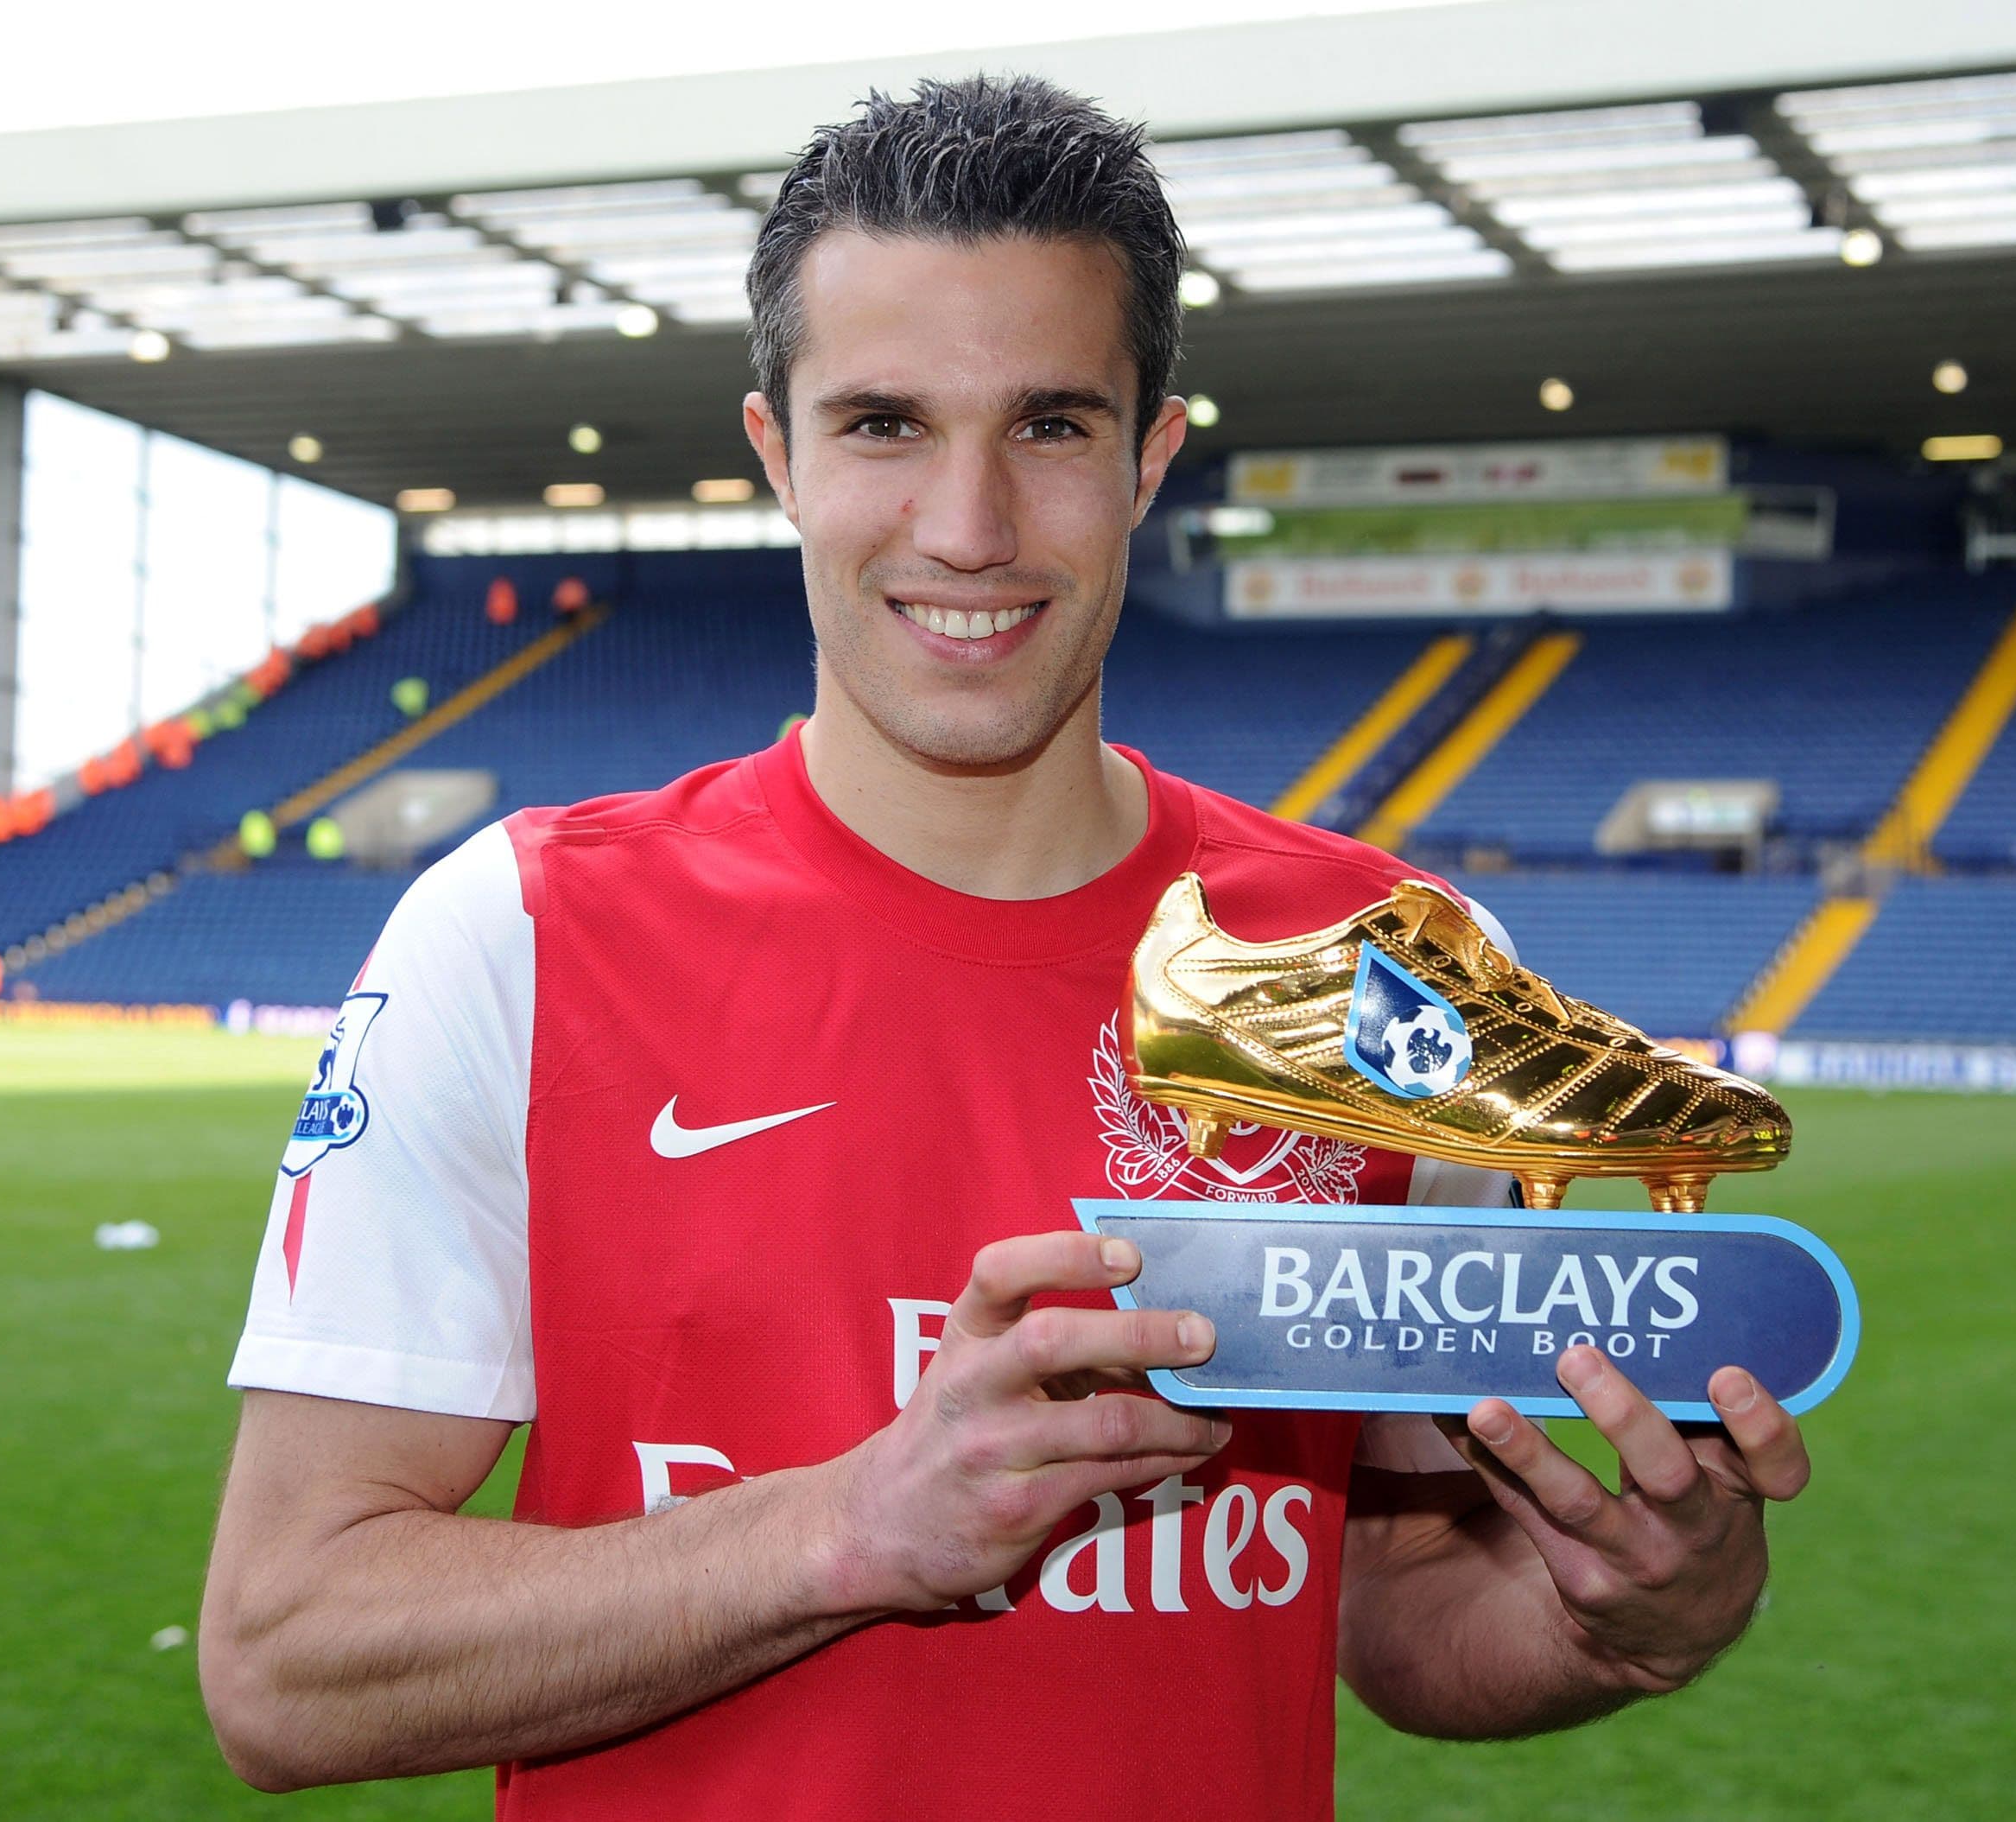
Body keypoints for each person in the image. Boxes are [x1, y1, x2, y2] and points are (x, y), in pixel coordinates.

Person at [199, 74, 1810, 1819]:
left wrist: (1633, 1615)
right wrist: (852, 1523)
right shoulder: (517, 933)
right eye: (884, 420)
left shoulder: (1392, 969)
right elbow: (287, 1654)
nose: (967, 526)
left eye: (1048, 424)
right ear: (777, 452)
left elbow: (1396, 1592)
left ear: (1151, 457)